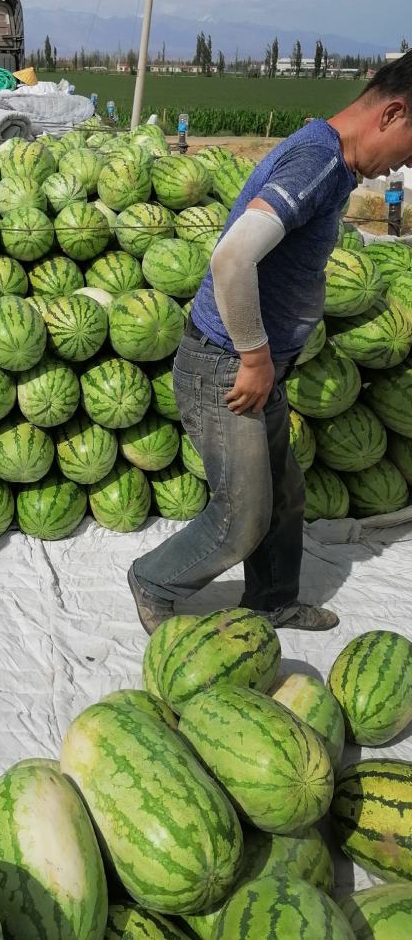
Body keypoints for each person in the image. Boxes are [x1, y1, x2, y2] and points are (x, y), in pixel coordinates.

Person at [128, 51, 412, 634]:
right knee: (242, 516)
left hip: (255, 367)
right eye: (411, 149)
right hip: (226, 366)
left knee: (285, 497)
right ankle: (155, 578)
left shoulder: (329, 159)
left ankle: (273, 600)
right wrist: (255, 357)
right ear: (393, 113)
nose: (399, 169)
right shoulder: (318, 161)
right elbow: (232, 257)